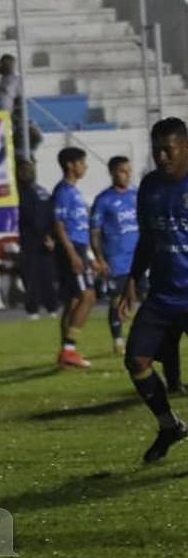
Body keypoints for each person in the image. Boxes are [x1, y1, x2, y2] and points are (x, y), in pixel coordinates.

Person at [119, 117, 188, 462]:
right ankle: (169, 425)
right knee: (137, 360)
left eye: (168, 150)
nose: (161, 157)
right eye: (156, 150)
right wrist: (132, 278)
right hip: (162, 294)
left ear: (185, 148)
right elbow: (147, 238)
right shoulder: (149, 187)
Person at [52, 147, 99, 368]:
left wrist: (89, 255)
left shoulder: (73, 191)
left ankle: (65, 354)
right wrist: (73, 254)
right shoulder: (63, 191)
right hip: (72, 249)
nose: (85, 166)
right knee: (88, 297)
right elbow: (59, 224)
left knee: (73, 302)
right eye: (82, 162)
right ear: (70, 165)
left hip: (79, 248)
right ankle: (69, 350)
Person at [91, 156, 139, 356]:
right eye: (122, 171)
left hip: (137, 259)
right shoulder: (104, 200)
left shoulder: (136, 195)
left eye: (129, 171)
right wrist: (100, 257)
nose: (127, 175)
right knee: (117, 300)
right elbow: (94, 231)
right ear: (112, 172)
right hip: (116, 260)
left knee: (137, 300)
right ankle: (118, 340)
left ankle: (138, 338)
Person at [16, 158, 58, 319]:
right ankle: (51, 307)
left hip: (31, 240)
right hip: (44, 239)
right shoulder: (43, 191)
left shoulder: (25, 194)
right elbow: (52, 216)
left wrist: (47, 236)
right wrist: (51, 236)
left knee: (33, 276)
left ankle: (34, 309)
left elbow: (33, 218)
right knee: (46, 274)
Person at [0, 54, 42, 160]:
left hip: (15, 114)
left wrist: (16, 113)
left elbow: (21, 98)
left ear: (13, 64)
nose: (6, 66)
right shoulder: (3, 78)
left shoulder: (16, 78)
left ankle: (27, 157)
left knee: (20, 136)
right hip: (4, 114)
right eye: (4, 64)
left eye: (9, 64)